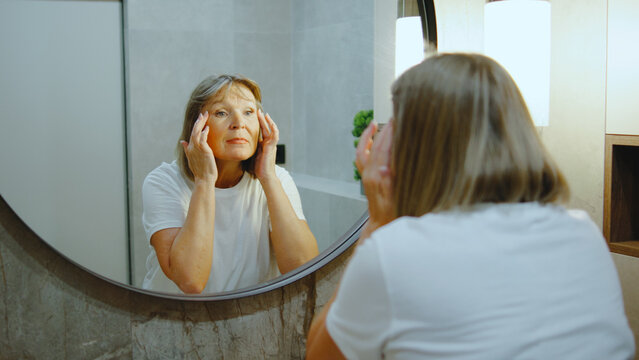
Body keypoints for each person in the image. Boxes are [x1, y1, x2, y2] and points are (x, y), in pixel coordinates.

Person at [306, 53, 635, 359]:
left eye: (395, 126)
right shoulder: (582, 233)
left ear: (410, 149)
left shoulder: (395, 253)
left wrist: (378, 224)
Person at [142, 74, 318, 294]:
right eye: (221, 113)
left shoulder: (278, 179)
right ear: (196, 125)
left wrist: (269, 178)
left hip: (251, 319)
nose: (239, 124)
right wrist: (205, 180)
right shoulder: (163, 182)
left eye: (248, 112)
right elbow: (190, 281)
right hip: (177, 321)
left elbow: (303, 268)